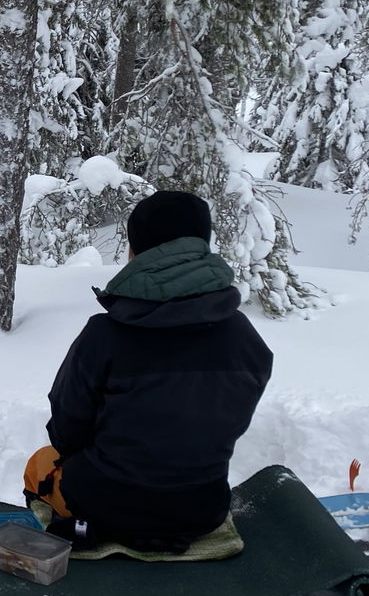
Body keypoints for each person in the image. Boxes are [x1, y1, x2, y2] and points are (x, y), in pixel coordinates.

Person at [24, 190, 273, 551]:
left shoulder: (104, 334)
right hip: (203, 509)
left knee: (40, 465)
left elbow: (66, 432)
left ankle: (75, 529)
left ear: (136, 251)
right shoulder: (244, 337)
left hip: (103, 504)